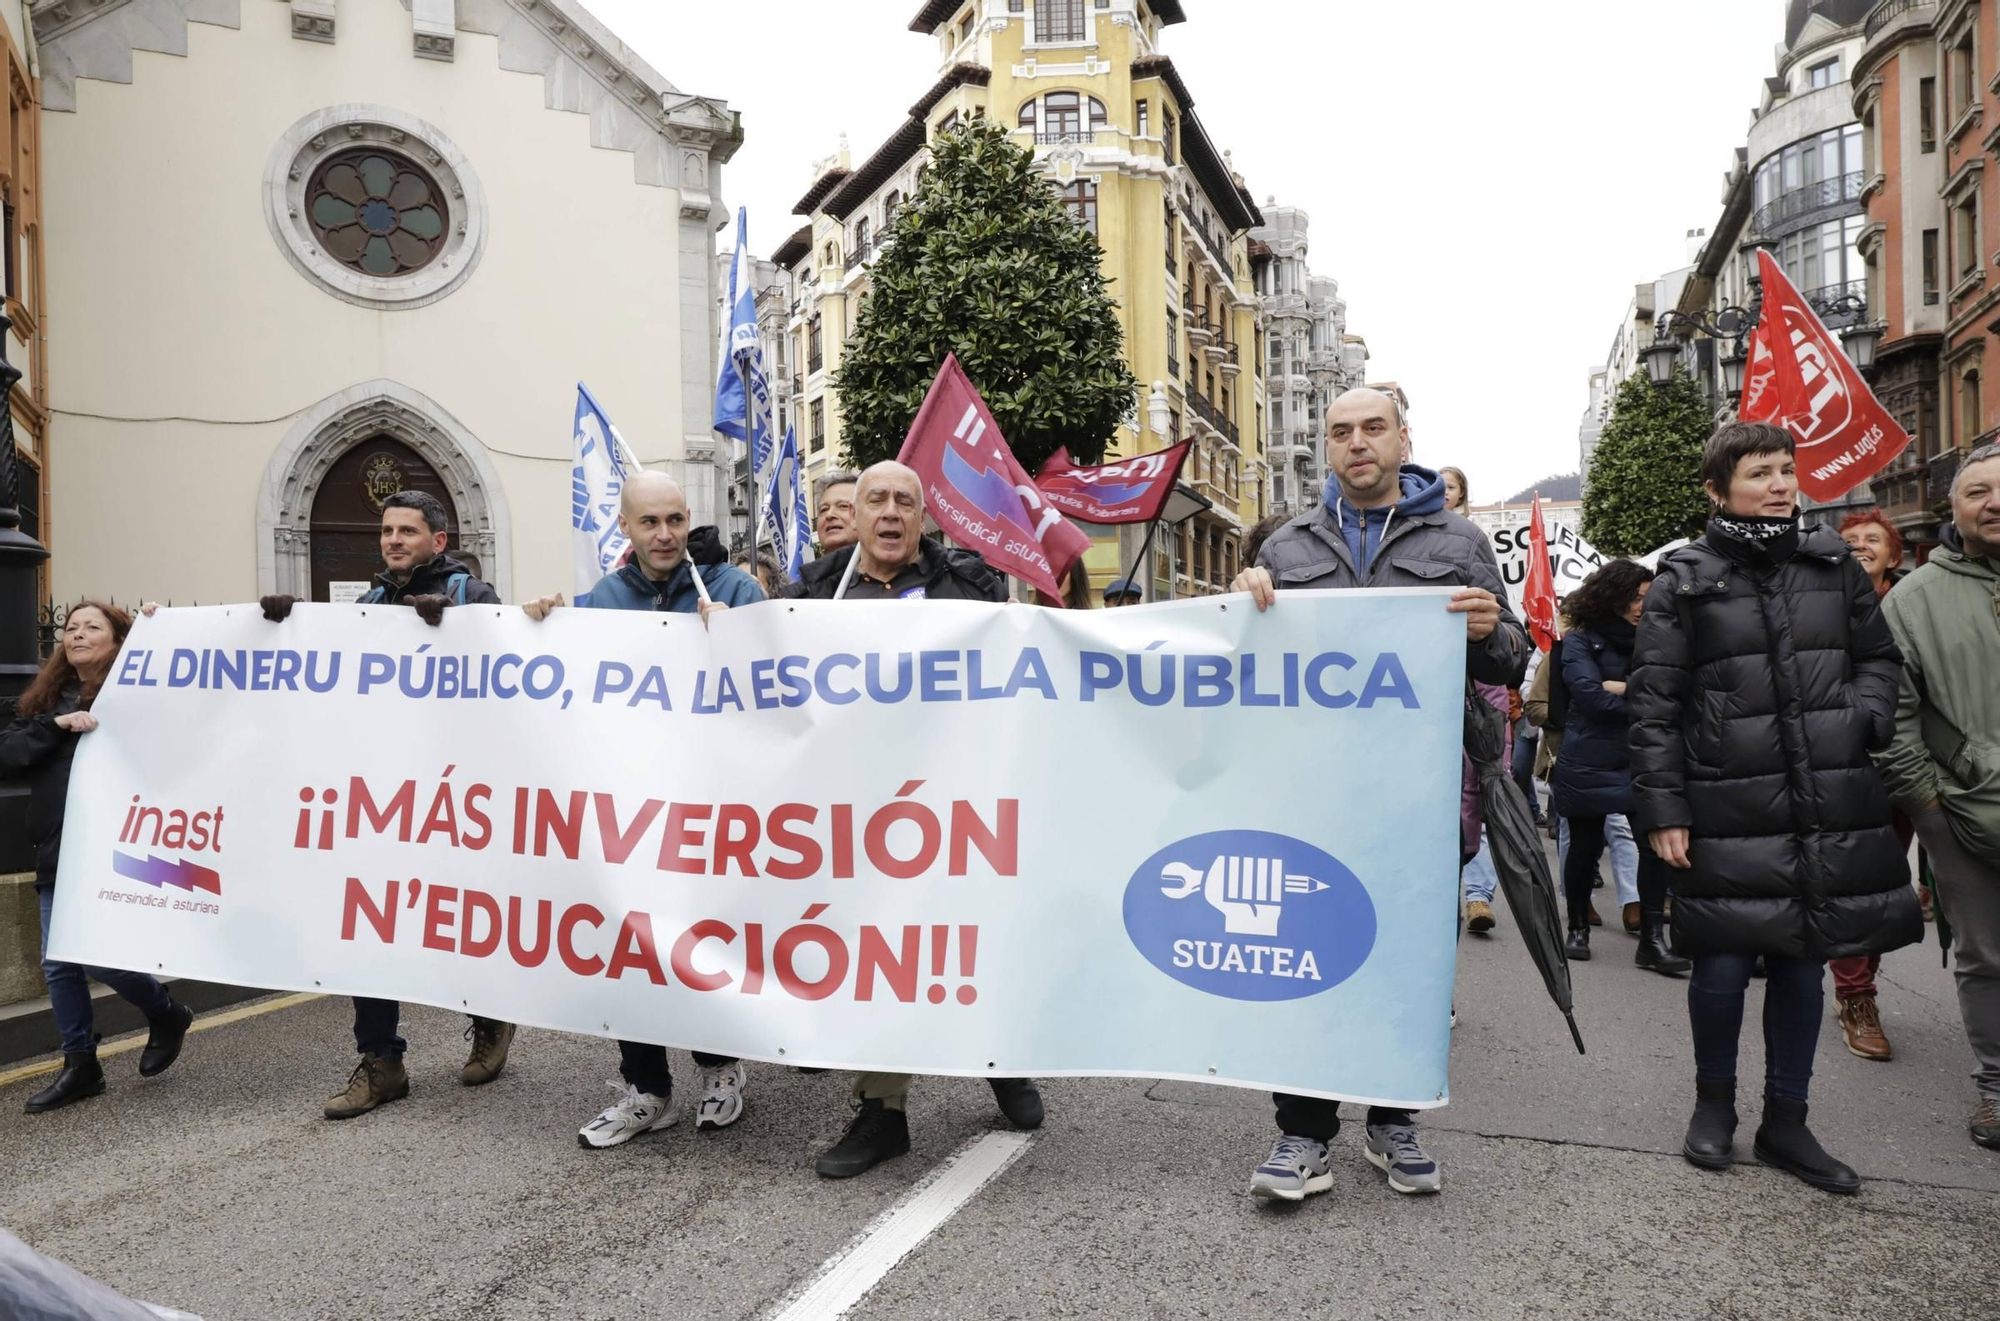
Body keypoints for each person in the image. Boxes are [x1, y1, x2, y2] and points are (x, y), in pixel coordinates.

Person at [1229, 387, 1527, 1200]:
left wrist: (1486, 629)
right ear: (1326, 448)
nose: (1355, 443)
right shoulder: (1285, 547)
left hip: (1420, 795)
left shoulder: (1460, 540)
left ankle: (1395, 1122)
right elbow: (1240, 661)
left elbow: (1512, 655)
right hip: (1312, 793)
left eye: (1371, 428)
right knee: (1306, 956)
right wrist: (1243, 601)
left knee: (1412, 961)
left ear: (1403, 439)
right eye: (1339, 432)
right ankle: (1302, 1134)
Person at [1629, 421, 1918, 1195]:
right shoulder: (1685, 577)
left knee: (1803, 958)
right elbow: (1655, 706)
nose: (1782, 484)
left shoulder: (1830, 563)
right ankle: (1712, 1107)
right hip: (1726, 795)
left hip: (1827, 793)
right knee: (1722, 959)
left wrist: (1861, 718)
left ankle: (1787, 1119)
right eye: (1760, 473)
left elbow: (1879, 658)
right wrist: (1664, 809)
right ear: (1718, 489)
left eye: (1786, 470)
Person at [799, 461, 1046, 1176]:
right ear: (857, 508)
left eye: (904, 501)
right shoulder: (817, 590)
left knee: (972, 934)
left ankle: (1001, 1057)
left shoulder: (972, 587)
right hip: (860, 806)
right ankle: (883, 1112)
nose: (888, 512)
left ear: (923, 515)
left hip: (954, 796)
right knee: (879, 948)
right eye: (875, 498)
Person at [524, 471, 766, 1148]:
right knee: (630, 940)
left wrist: (737, 636)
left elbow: (777, 674)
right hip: (630, 803)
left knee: (705, 934)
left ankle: (720, 1067)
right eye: (649, 522)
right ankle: (645, 1087)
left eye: (675, 519)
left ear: (689, 520)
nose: (665, 535)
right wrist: (548, 621)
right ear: (625, 529)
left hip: (712, 803)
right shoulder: (602, 599)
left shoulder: (735, 588)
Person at [262, 489, 520, 1118]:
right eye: (386, 531)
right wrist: (286, 626)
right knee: (369, 926)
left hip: (454, 794)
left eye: (408, 531)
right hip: (383, 795)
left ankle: (490, 1018)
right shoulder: (373, 602)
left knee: (455, 919)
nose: (394, 540)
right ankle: (382, 1062)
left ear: (438, 539)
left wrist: (455, 632)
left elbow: (506, 669)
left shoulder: (471, 596)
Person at [4, 602, 194, 1113]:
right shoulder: (49, 700)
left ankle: (164, 1011)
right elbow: (10, 752)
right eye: (70, 627)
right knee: (58, 963)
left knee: (88, 955)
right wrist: (58, 725)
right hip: (59, 844)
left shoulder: (139, 691)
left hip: (120, 844)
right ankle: (81, 1065)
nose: (78, 634)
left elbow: (190, 711)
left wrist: (164, 630)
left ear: (118, 639)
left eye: (93, 627)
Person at [1873, 442, 2000, 1151]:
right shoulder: (1915, 599)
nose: (1994, 502)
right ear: (1952, 506)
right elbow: (1891, 717)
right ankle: (1996, 1085)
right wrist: (1928, 808)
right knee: (1986, 955)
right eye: (1977, 490)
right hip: (1964, 815)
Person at [1550, 559, 1688, 975]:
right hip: (1588, 758)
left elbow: (1679, 694)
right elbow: (1591, 698)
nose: (1640, 607)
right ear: (1609, 597)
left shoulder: (1663, 639)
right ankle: (1577, 927)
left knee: (1654, 849)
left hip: (1644, 758)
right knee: (1585, 847)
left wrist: (1625, 688)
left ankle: (1652, 940)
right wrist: (1646, 700)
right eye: (1632, 597)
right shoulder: (1579, 641)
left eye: (1647, 598)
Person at [1829, 510, 1916, 1061]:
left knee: (1884, 889)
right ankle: (1856, 997)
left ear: (1893, 556)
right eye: (1850, 541)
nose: (1861, 547)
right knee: (1851, 887)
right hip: (1837, 769)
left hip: (1906, 766)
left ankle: (1856, 983)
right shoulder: (1817, 607)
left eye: (1872, 540)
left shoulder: (1914, 607)